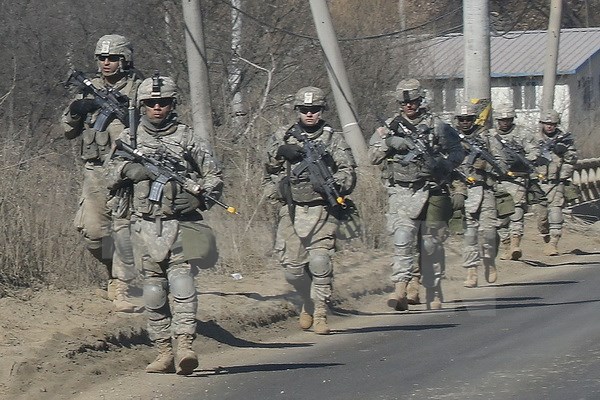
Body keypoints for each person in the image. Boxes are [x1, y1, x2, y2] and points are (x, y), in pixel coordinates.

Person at [106, 74, 222, 375]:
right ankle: (163, 352)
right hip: (143, 224)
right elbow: (109, 174)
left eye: (163, 103)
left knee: (183, 284)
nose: (157, 108)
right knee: (154, 292)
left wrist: (199, 199)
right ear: (142, 106)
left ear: (172, 104)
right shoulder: (130, 139)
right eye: (151, 103)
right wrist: (128, 168)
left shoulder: (188, 137)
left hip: (180, 224)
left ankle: (185, 346)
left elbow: (214, 177)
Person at [263, 86, 357, 335]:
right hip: (292, 210)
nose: (310, 114)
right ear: (297, 111)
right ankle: (308, 299)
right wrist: (280, 152)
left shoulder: (332, 138)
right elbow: (267, 169)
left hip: (323, 209)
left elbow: (348, 171)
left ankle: (321, 312)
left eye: (314, 110)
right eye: (305, 110)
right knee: (293, 271)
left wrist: (333, 183)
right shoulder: (283, 135)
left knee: (319, 261)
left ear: (322, 110)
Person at [62, 34, 142, 312]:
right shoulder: (88, 89)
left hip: (126, 171)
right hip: (95, 172)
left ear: (125, 60)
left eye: (112, 58)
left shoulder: (139, 90)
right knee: (93, 233)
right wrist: (76, 110)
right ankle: (112, 271)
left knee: (124, 230)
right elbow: (67, 132)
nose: (106, 63)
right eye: (102, 58)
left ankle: (122, 288)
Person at [368, 79, 464, 311]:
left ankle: (432, 287)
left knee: (431, 244)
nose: (409, 106)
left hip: (432, 190)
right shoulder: (390, 126)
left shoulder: (437, 126)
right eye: (404, 102)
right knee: (403, 240)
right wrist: (390, 143)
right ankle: (400, 287)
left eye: (413, 101)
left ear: (421, 100)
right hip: (401, 191)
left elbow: (457, 152)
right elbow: (372, 157)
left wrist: (441, 164)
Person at [453, 102, 504, 287]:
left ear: (474, 119)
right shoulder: (451, 139)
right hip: (464, 191)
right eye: (461, 119)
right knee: (470, 235)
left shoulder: (488, 137)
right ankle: (471, 271)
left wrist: (486, 165)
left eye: (468, 119)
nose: (465, 122)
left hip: (485, 190)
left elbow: (503, 165)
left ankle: (490, 260)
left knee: (489, 233)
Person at [490, 104, 542, 261]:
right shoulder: (490, 136)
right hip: (498, 180)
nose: (505, 123)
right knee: (500, 216)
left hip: (518, 178)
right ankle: (506, 244)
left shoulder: (522, 133)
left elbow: (535, 151)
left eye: (508, 120)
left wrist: (524, 160)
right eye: (502, 120)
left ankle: (515, 244)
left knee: (517, 211)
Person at [532, 110, 578, 255]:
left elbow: (572, 160)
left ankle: (553, 243)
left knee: (556, 212)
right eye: (547, 124)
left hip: (556, 183)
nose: (550, 127)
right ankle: (546, 235)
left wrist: (564, 153)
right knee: (541, 217)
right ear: (542, 124)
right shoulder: (533, 138)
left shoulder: (564, 139)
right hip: (538, 183)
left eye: (552, 124)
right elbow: (526, 157)